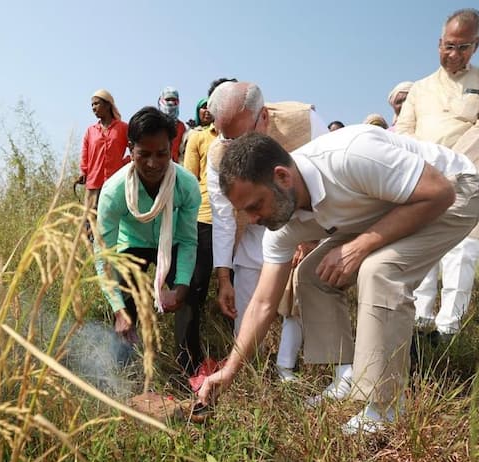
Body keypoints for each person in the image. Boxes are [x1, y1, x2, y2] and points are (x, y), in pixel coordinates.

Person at [197, 126, 479, 434]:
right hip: (390, 206)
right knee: (312, 275)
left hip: (455, 190)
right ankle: (347, 376)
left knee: (379, 269)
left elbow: (439, 192)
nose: (253, 220)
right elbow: (263, 303)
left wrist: (360, 246)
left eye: (255, 206)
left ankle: (385, 406)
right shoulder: (281, 226)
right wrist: (228, 371)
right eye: (246, 212)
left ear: (282, 177)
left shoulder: (349, 157)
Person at [206, 81, 328, 381]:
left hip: (302, 228)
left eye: (242, 135)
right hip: (252, 234)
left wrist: (310, 238)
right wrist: (224, 276)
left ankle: (286, 368)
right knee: (249, 306)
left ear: (264, 117)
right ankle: (245, 374)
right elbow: (224, 218)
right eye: (227, 136)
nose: (233, 145)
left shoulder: (305, 122)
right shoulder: (218, 153)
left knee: (295, 299)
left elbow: (325, 182)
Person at [395, 8, 479, 338]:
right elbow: (403, 129)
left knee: (461, 255)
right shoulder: (421, 88)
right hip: (426, 179)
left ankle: (448, 330)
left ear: (477, 45)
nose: (453, 54)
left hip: (469, 177)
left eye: (463, 47)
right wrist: (429, 161)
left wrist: (452, 158)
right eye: (448, 46)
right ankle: (421, 324)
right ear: (439, 42)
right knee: (423, 250)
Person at [95, 106, 202, 375]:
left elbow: (189, 240)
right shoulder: (113, 192)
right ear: (131, 150)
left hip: (173, 241)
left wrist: (181, 286)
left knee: (189, 294)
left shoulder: (186, 185)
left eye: (162, 154)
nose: (153, 164)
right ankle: (122, 370)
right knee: (126, 296)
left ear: (172, 148)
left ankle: (187, 369)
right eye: (144, 154)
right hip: (133, 241)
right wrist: (119, 309)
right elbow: (104, 254)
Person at [182, 97, 219, 374]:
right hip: (205, 218)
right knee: (196, 288)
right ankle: (189, 357)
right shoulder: (198, 138)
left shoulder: (245, 137)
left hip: (242, 224)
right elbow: (189, 180)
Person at [78, 89, 129, 209]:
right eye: (92, 105)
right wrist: (83, 172)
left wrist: (124, 163)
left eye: (96, 103)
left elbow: (135, 149)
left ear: (107, 105)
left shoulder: (123, 128)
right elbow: (85, 154)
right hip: (94, 184)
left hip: (116, 184)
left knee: (113, 220)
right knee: (90, 223)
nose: (93, 107)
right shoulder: (91, 131)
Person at [158, 86, 187, 163]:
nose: (171, 103)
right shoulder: (153, 123)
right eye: (167, 100)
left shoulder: (181, 126)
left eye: (173, 100)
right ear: (161, 101)